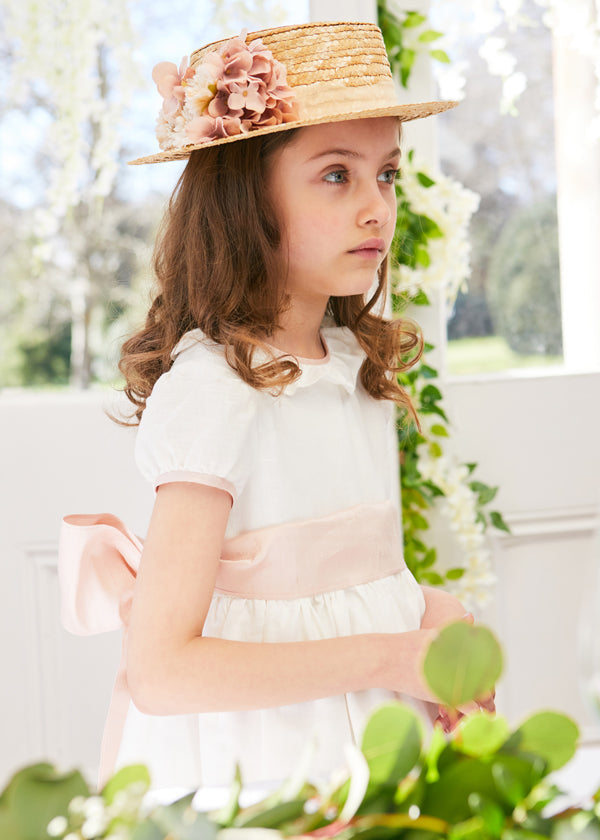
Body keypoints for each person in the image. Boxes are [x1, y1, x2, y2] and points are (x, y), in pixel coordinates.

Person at [59, 20, 492, 798]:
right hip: (262, 772)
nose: (376, 208)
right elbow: (162, 671)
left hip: (369, 743)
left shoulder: (353, 370)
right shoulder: (216, 392)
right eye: (336, 175)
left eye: (386, 175)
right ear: (242, 199)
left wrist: (434, 615)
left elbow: (324, 585)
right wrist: (392, 657)